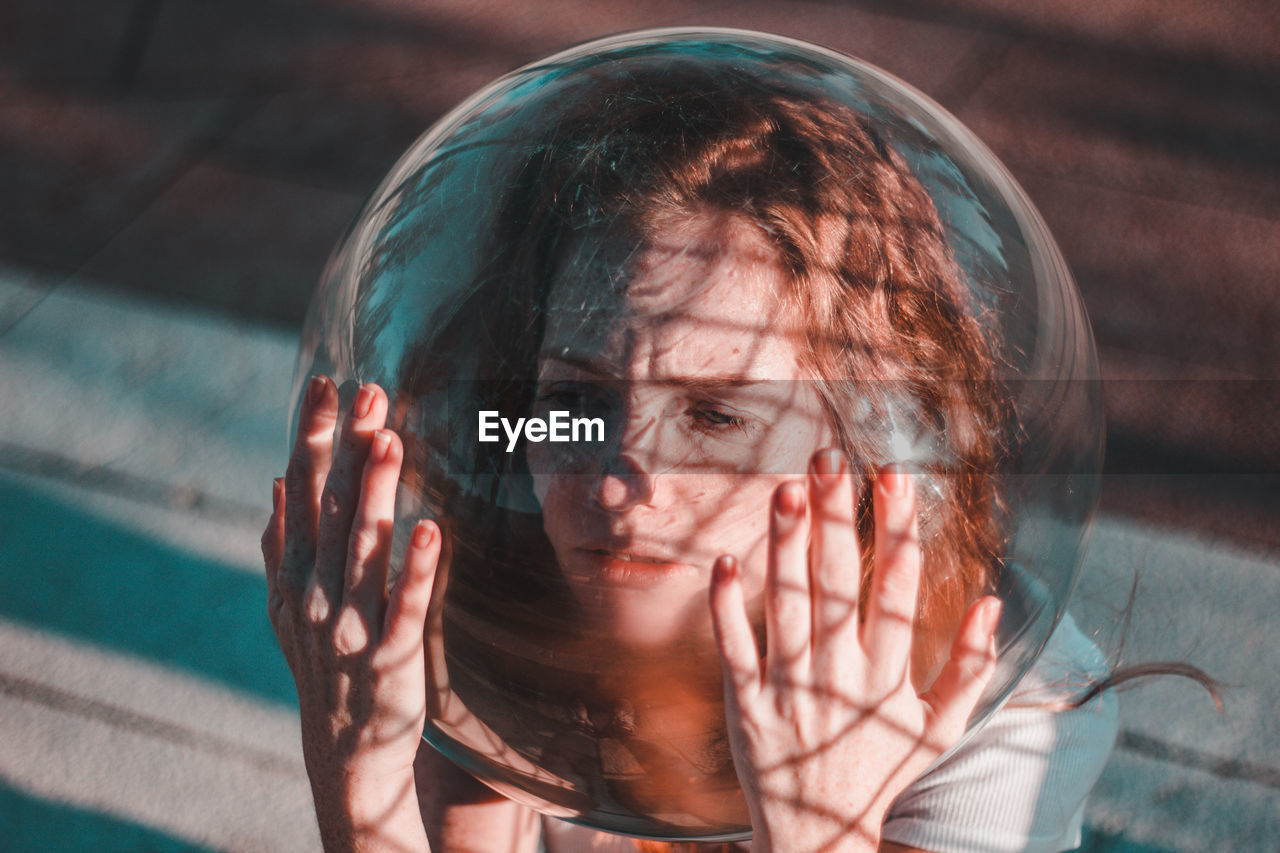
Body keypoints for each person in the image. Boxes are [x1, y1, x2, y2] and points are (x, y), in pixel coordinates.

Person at [261, 60, 1118, 853]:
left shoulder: (1008, 710)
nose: (621, 483)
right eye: (573, 401)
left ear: (861, 450)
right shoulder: (496, 600)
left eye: (714, 415)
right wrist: (360, 777)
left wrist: (825, 828)